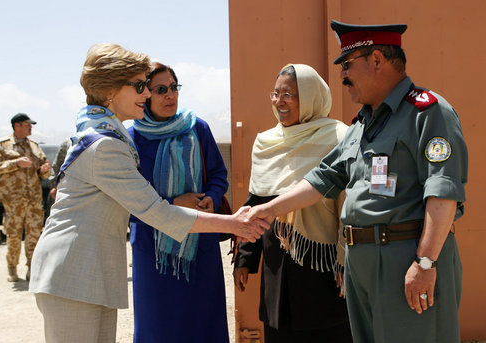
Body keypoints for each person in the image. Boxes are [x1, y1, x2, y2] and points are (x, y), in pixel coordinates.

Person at [28, 43, 267, 343]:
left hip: (89, 274)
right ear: (111, 90)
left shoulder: (106, 132)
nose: (147, 94)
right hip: (76, 274)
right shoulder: (107, 144)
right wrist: (234, 224)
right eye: (140, 86)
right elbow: (157, 212)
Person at [247, 22, 468, 343]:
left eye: (348, 65)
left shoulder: (427, 113)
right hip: (361, 266)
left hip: (405, 260)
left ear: (377, 61)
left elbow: (443, 194)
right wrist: (266, 210)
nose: (342, 75)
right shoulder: (361, 125)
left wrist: (425, 262)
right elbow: (323, 179)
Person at [233, 64, 352, 342]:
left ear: (312, 97)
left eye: (290, 94)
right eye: (276, 94)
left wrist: (346, 259)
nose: (280, 101)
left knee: (327, 329)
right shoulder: (266, 142)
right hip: (278, 269)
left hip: (323, 267)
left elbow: (349, 203)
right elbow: (257, 202)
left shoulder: (338, 137)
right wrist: (246, 258)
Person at [127, 62, 230, 342]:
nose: (170, 95)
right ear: (145, 94)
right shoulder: (131, 139)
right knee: (158, 325)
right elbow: (127, 201)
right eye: (161, 90)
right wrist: (173, 202)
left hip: (200, 244)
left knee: (203, 321)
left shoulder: (198, 128)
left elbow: (219, 174)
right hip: (153, 252)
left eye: (174, 88)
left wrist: (212, 196)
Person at [0, 113, 51, 282]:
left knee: (34, 235)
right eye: (28, 124)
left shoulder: (34, 146)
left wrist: (45, 170)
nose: (31, 127)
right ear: (17, 125)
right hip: (13, 200)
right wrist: (16, 163)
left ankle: (32, 269)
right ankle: (12, 269)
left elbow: (44, 170)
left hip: (34, 200)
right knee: (14, 235)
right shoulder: (3, 145)